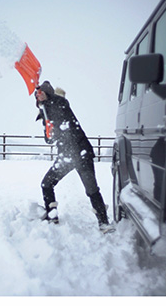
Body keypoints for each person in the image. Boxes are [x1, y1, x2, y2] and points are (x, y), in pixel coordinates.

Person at [35, 81, 111, 229]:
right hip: (66, 156)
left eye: (42, 94)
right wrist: (47, 128)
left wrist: (47, 98)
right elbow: (49, 139)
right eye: (38, 96)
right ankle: (52, 216)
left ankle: (104, 223)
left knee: (91, 189)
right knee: (46, 184)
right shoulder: (46, 113)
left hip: (81, 153)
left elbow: (59, 101)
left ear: (49, 94)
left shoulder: (60, 104)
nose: (40, 97)